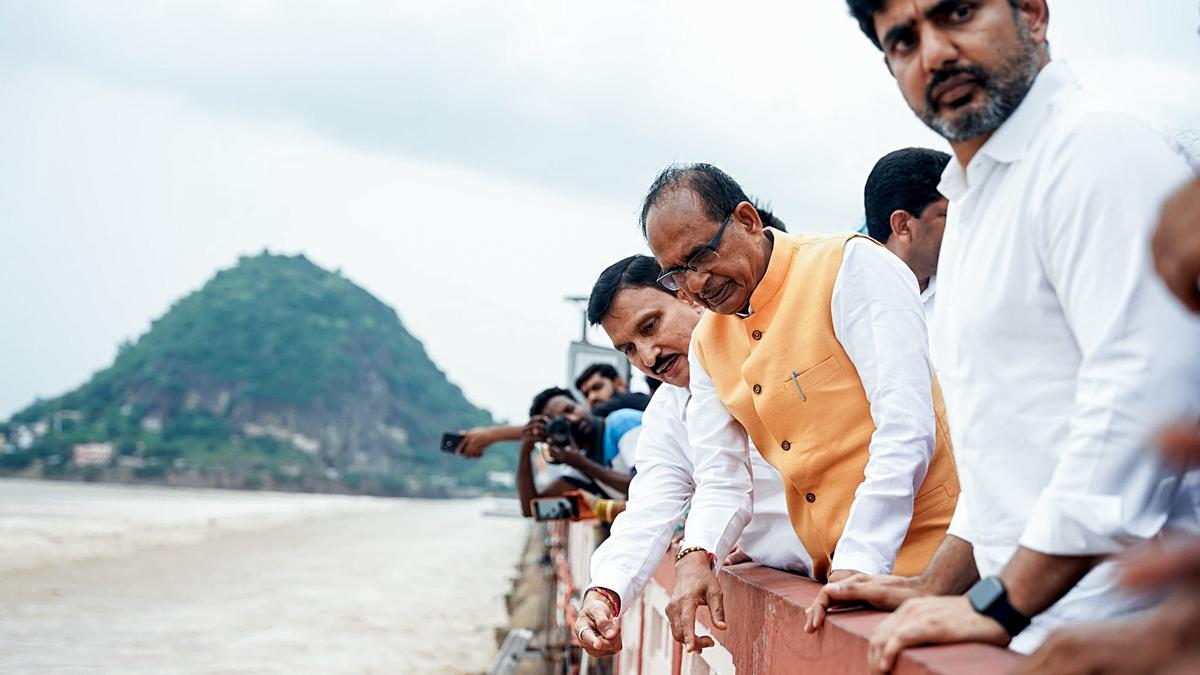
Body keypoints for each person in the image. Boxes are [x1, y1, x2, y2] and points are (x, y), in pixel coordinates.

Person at [815, 1, 1200, 669]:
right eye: (904, 40)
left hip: (1136, 636)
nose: (934, 54)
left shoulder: (1099, 148)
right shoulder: (967, 208)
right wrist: (937, 584)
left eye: (957, 12)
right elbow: (1012, 447)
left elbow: (1146, 402)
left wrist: (1000, 601)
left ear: (1032, 12)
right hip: (1031, 633)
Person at [641, 162, 960, 652]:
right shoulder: (707, 340)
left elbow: (906, 428)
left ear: (747, 220)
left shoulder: (850, 267)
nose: (697, 283)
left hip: (938, 568)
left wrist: (858, 565)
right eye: (677, 273)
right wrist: (696, 556)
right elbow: (722, 477)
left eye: (701, 255)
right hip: (834, 578)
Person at [573, 251, 813, 658]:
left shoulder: (776, 348)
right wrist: (604, 593)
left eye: (651, 326)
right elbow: (650, 507)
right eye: (629, 349)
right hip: (790, 585)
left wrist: (700, 550)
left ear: (687, 294)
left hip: (864, 569)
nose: (648, 357)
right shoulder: (667, 412)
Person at [514, 386, 639, 516]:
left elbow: (646, 485)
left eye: (571, 409)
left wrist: (582, 464)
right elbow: (533, 510)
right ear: (552, 435)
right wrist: (525, 451)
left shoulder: (621, 423)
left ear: (582, 405)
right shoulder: (579, 463)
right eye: (563, 422)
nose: (574, 419)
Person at [864, 147, 952, 322]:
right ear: (903, 225)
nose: (961, 226)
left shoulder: (973, 295)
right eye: (948, 215)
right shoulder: (843, 301)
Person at [574, 363, 651, 417]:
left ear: (619, 384)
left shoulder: (645, 404)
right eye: (586, 395)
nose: (591, 397)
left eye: (597, 387)